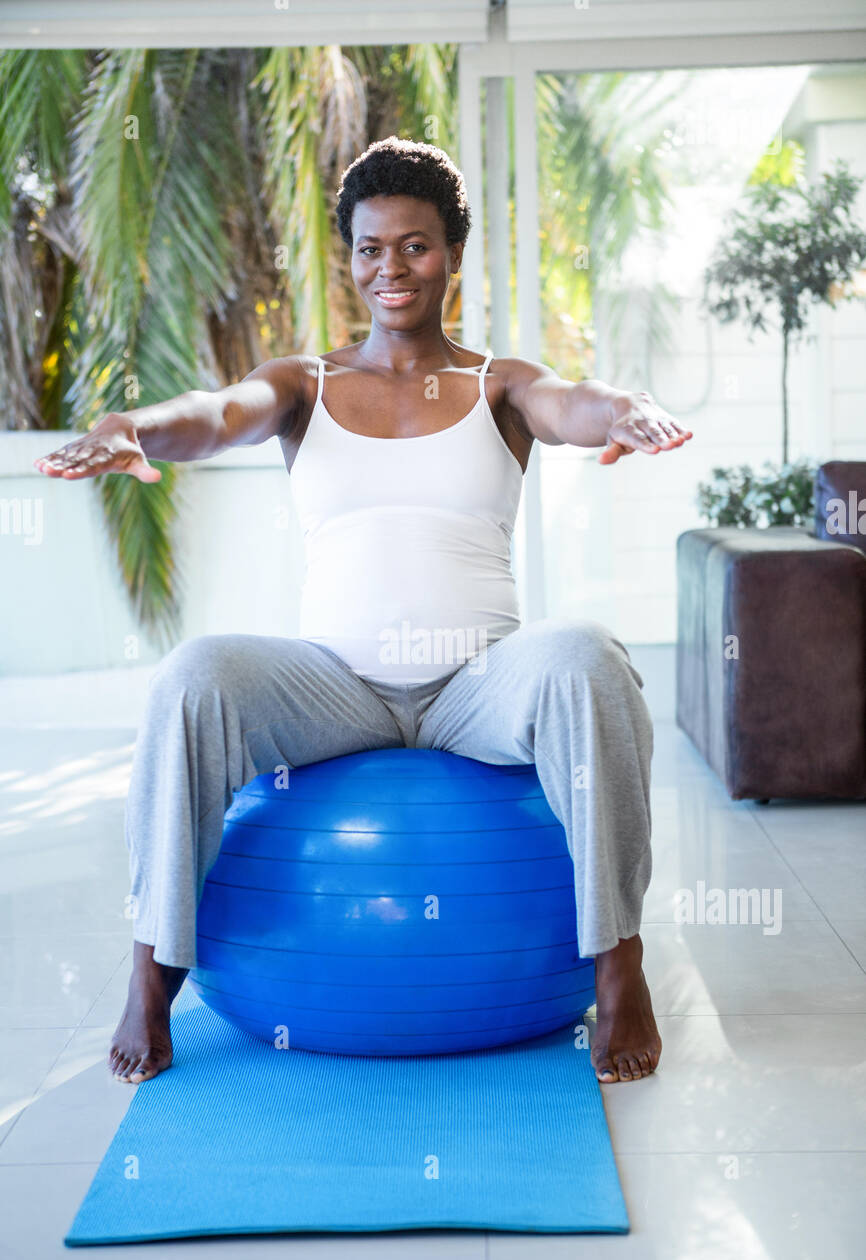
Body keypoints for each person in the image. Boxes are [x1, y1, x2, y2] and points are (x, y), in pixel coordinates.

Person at [34, 137, 692, 1086]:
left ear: (452, 255)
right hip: (335, 687)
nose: (392, 269)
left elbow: (570, 403)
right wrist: (135, 427)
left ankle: (619, 964)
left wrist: (624, 409)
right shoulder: (308, 384)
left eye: (416, 246)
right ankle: (151, 971)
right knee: (193, 675)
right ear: (351, 258)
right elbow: (219, 413)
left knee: (588, 655)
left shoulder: (494, 384)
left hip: (479, 688)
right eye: (371, 248)